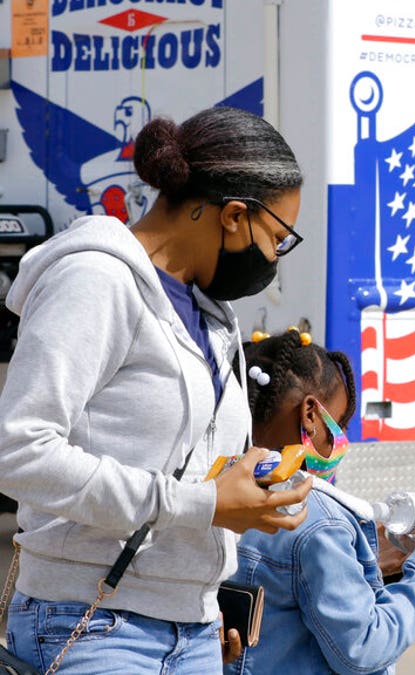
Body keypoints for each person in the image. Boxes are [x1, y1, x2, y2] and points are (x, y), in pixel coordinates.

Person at [0, 106, 313, 673]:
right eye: (278, 238)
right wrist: (203, 504)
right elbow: (19, 452)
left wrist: (251, 490)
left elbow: (184, 468)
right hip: (91, 624)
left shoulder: (211, 313)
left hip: (194, 626)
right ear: (235, 216)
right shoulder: (95, 280)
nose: (273, 259)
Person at [226, 330, 415, 675]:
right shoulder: (320, 522)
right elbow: (362, 647)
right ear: (310, 414)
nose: (342, 439)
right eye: (339, 423)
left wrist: (363, 565)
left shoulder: (220, 489)